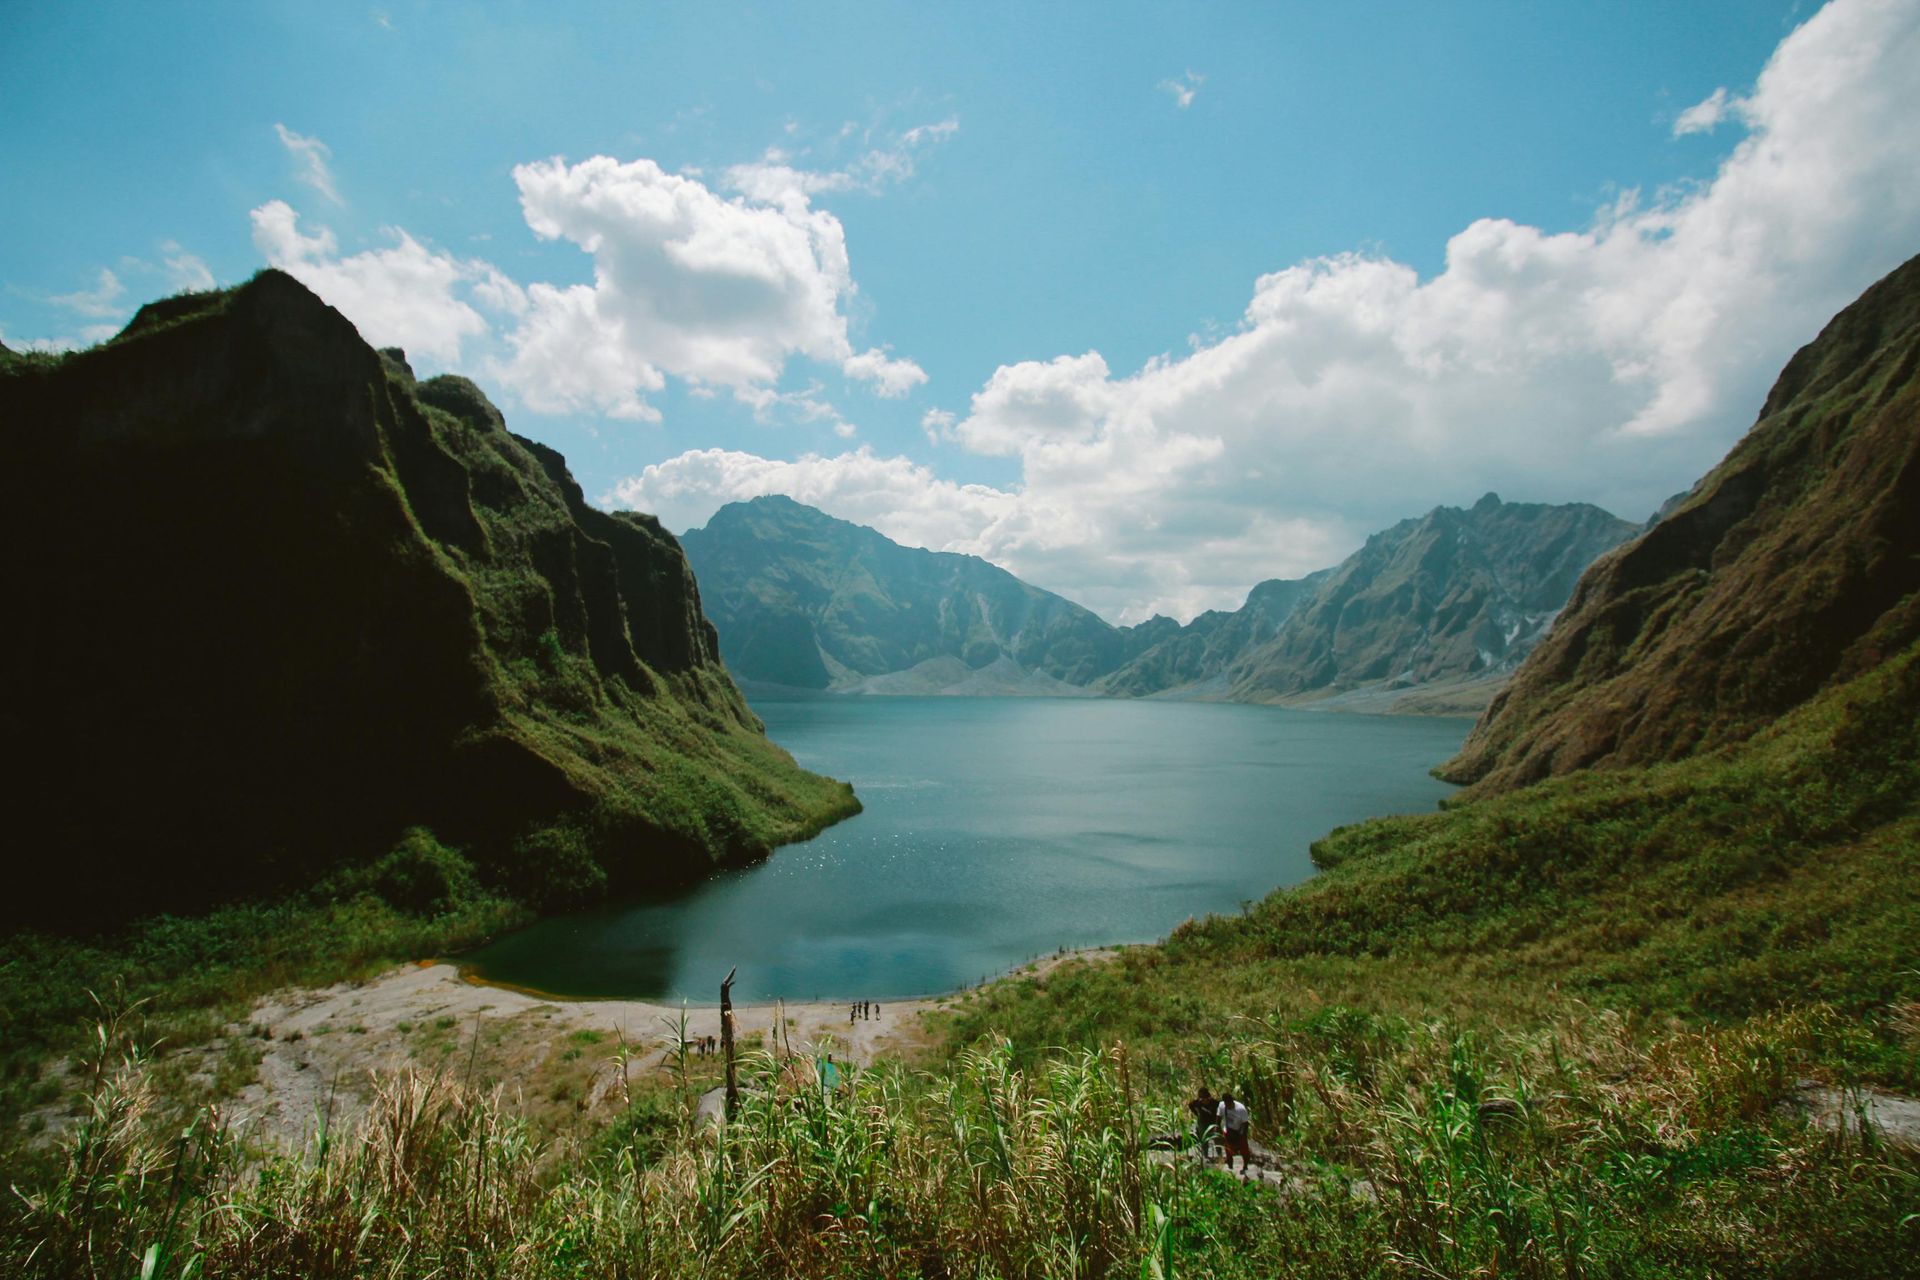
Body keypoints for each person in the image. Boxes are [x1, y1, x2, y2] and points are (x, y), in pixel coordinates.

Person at [1217, 1092, 1252, 1173]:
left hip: (1239, 1131)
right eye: (1226, 1104)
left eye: (1229, 1104)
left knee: (1244, 1150)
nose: (1228, 1106)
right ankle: (1230, 1167)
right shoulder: (1221, 1106)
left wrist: (1242, 1135)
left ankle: (1245, 1166)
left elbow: (1245, 1123)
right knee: (1228, 1150)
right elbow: (1218, 1117)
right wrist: (1217, 1128)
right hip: (1228, 1131)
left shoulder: (1241, 1109)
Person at [1185, 1086, 1217, 1156]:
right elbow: (1190, 1105)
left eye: (1205, 1098)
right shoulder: (1197, 1103)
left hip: (1213, 1122)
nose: (1204, 1100)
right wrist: (1196, 1113)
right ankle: (1205, 1156)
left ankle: (1220, 1155)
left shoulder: (1214, 1103)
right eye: (1202, 1098)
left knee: (1216, 1139)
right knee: (1204, 1140)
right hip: (1203, 1123)